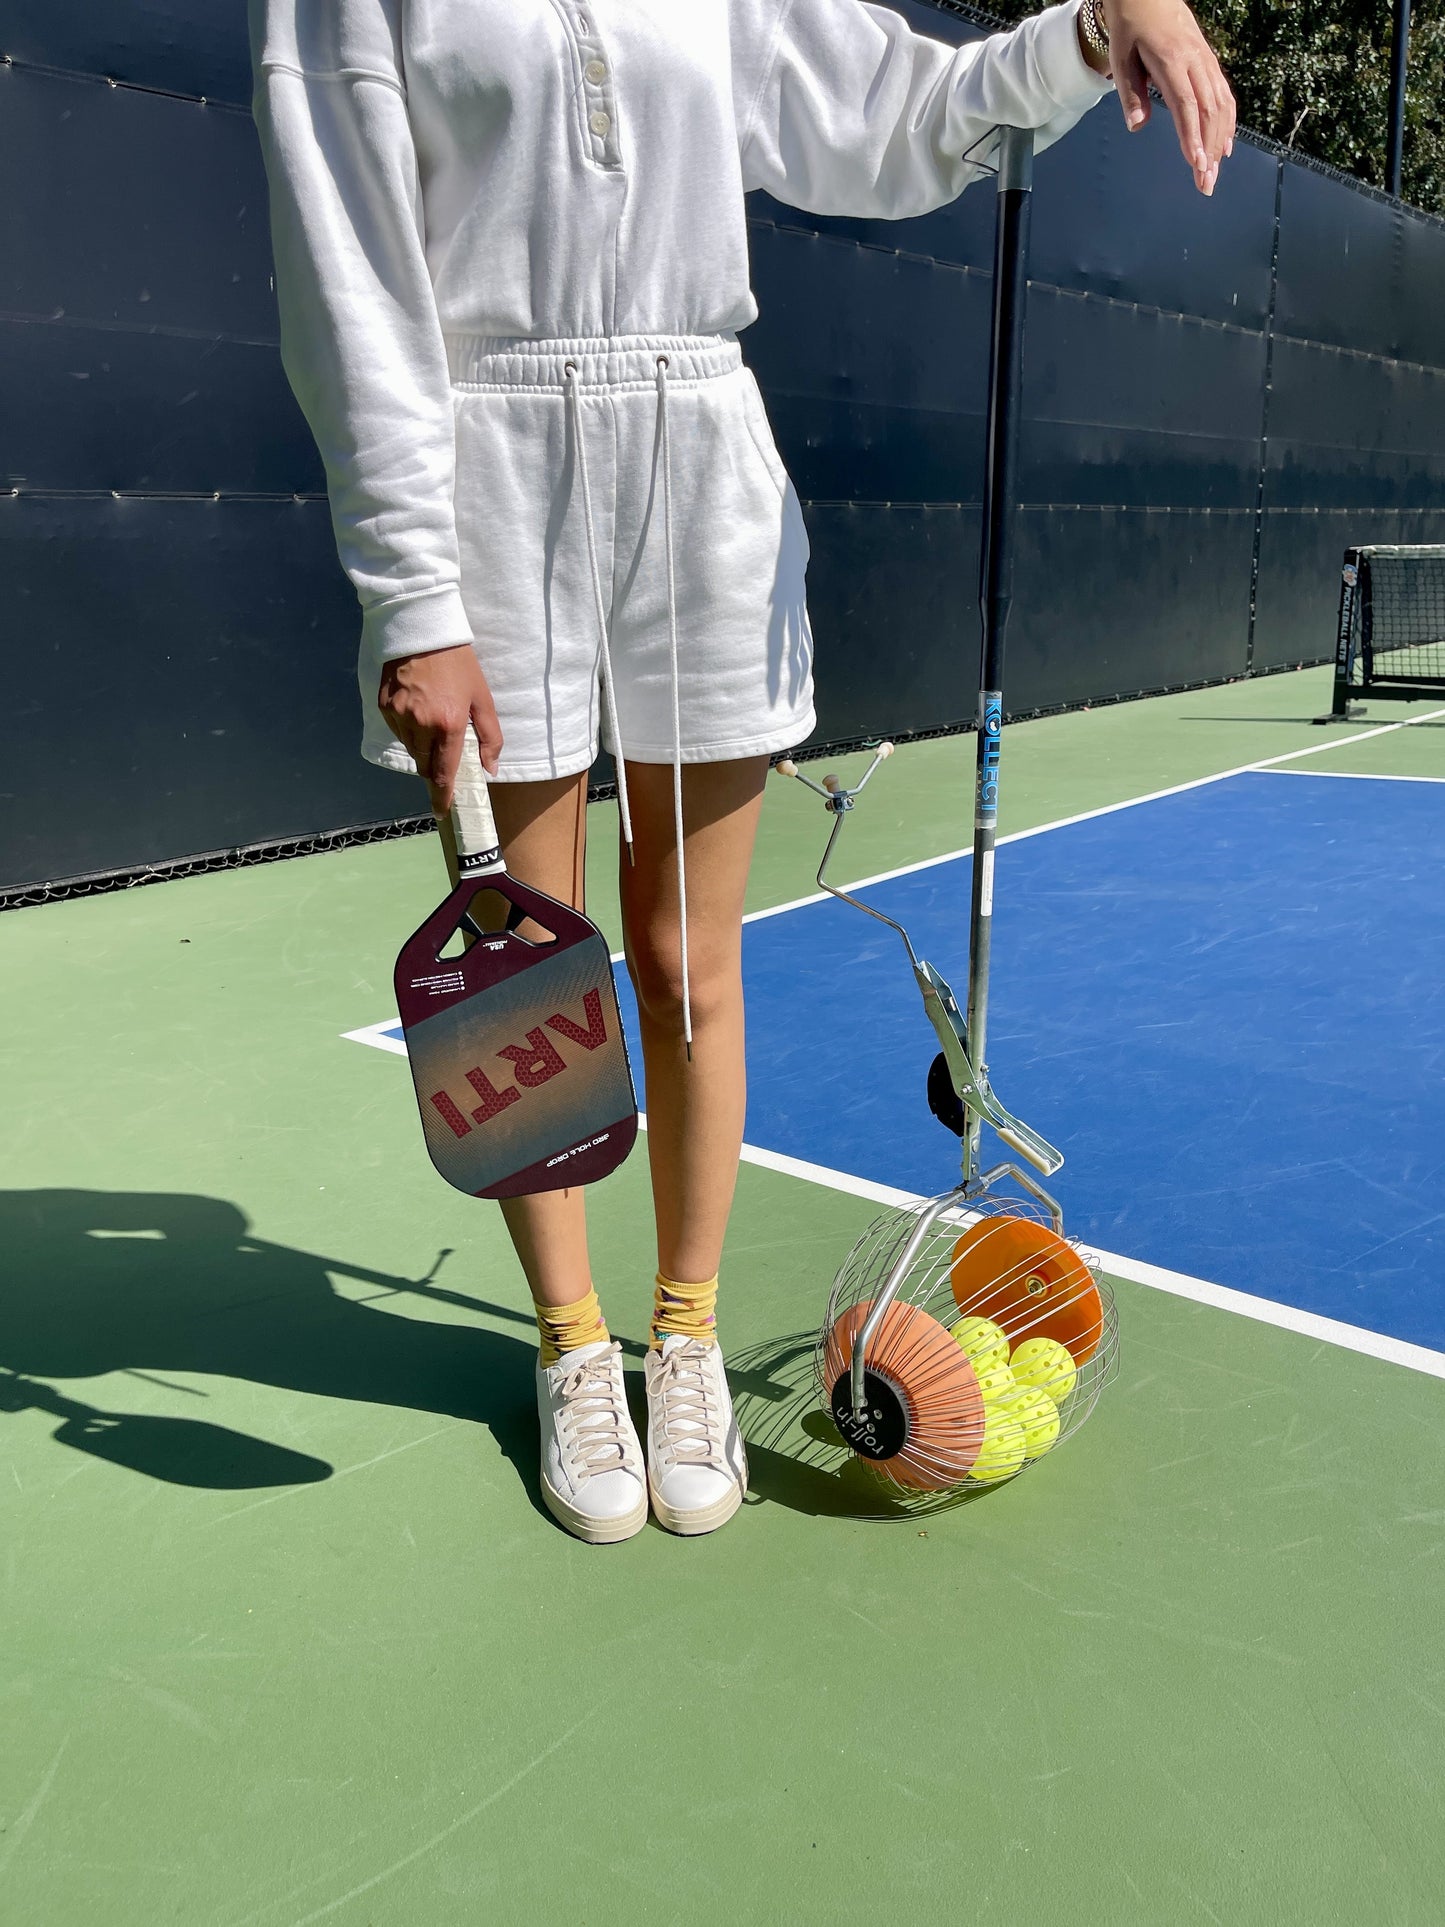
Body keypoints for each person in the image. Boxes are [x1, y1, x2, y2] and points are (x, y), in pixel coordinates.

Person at [250, 0, 1234, 1544]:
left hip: (698, 455)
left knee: (683, 955)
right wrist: (413, 596)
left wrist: (1098, 21)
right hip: (485, 457)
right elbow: (347, 280)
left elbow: (901, 114)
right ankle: (577, 1352)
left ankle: (685, 1336)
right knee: (526, 977)